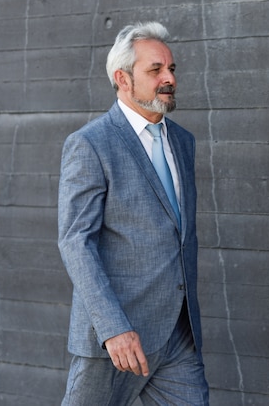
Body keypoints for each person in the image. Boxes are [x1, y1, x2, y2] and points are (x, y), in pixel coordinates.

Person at [58, 21, 209, 405]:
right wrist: (112, 328)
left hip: (177, 334)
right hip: (117, 338)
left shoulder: (183, 142)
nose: (168, 78)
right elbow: (76, 242)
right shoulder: (90, 144)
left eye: (171, 69)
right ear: (122, 78)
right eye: (155, 70)